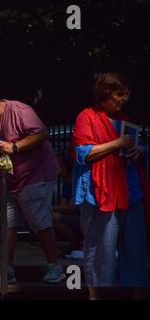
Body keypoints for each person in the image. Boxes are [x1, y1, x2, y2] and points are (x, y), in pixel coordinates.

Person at [0, 94, 64, 284]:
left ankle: (55, 266)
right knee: (8, 224)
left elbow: (42, 134)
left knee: (38, 220)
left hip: (36, 174)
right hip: (10, 179)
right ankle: (7, 269)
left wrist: (15, 147)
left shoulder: (19, 111)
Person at [72, 73, 149, 299]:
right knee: (100, 248)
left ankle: (137, 295)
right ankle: (96, 295)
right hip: (100, 193)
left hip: (130, 192)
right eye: (119, 94)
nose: (123, 99)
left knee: (135, 247)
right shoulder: (86, 117)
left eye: (126, 94)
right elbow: (82, 152)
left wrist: (140, 150)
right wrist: (117, 143)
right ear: (105, 94)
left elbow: (139, 147)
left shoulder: (124, 118)